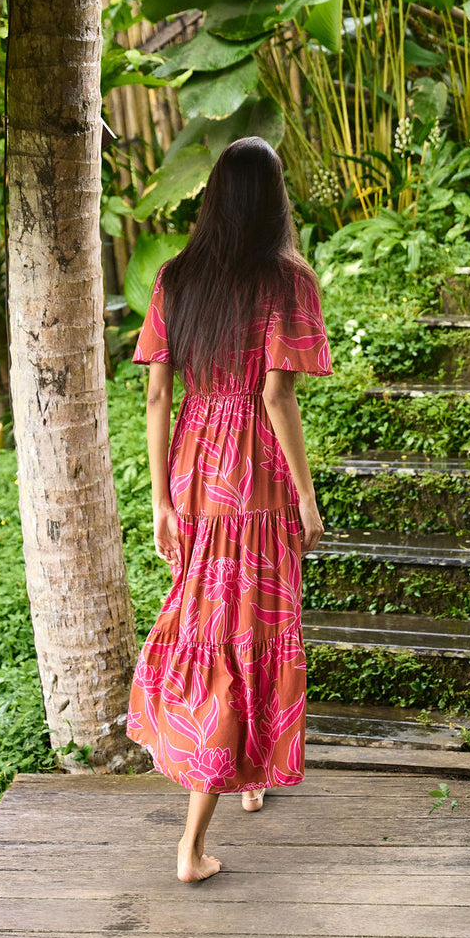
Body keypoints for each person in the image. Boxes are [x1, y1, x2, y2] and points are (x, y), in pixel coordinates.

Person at [125, 136, 332, 883]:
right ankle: (189, 845)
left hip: (194, 471)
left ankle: (249, 778)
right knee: (245, 629)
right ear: (274, 202)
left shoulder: (176, 279)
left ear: (211, 196)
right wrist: (307, 496)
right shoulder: (286, 281)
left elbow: (156, 394)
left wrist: (158, 499)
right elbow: (276, 395)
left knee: (216, 621)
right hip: (257, 475)